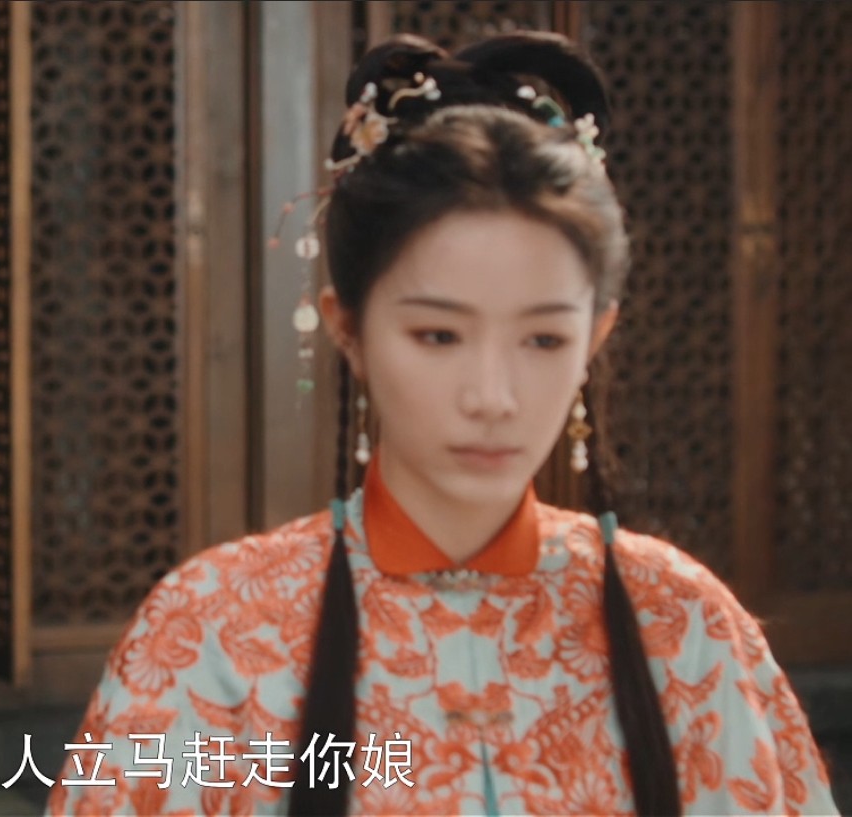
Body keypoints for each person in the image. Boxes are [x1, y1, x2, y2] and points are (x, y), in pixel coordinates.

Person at [48, 32, 837, 816]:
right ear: (348, 330)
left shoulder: (684, 625)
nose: (491, 395)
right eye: (437, 335)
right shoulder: (214, 629)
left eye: (542, 339)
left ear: (593, 339)